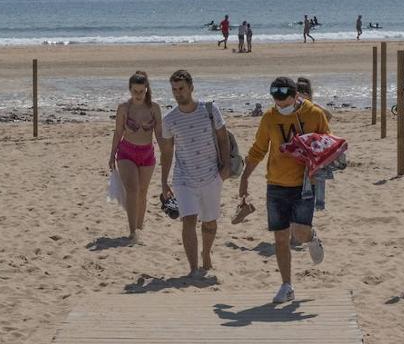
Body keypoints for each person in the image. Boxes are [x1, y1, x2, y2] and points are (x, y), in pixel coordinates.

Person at [238, 77, 329, 304]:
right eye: (277, 103)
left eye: (285, 102)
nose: (281, 106)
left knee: (299, 233)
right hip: (276, 183)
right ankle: (287, 285)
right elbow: (259, 149)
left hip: (304, 184)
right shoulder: (269, 117)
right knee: (280, 238)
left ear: (296, 95)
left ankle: (311, 238)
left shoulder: (314, 114)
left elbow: (328, 143)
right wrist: (245, 176)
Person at [160, 69, 230, 278]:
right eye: (174, 89)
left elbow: (223, 138)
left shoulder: (210, 110)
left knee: (209, 221)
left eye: (181, 88)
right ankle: (193, 268)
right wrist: (164, 182)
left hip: (211, 175)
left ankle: (206, 254)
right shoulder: (169, 119)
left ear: (191, 87)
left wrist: (225, 166)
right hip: (184, 178)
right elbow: (167, 151)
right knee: (188, 220)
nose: (178, 93)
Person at [108, 71, 165, 244]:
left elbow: (160, 134)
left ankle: (139, 228)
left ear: (147, 89)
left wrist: (165, 153)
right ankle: (132, 232)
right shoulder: (124, 108)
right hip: (126, 152)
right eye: (135, 91)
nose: (138, 95)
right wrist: (112, 155)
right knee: (132, 190)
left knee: (142, 192)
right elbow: (118, 133)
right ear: (130, 90)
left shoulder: (154, 108)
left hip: (147, 153)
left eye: (141, 91)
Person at [294, 77, 334, 212]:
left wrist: (310, 103)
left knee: (313, 183)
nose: (302, 94)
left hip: (314, 152)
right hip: (298, 151)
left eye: (305, 92)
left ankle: (317, 204)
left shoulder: (314, 109)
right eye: (299, 91)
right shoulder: (292, 107)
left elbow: (329, 115)